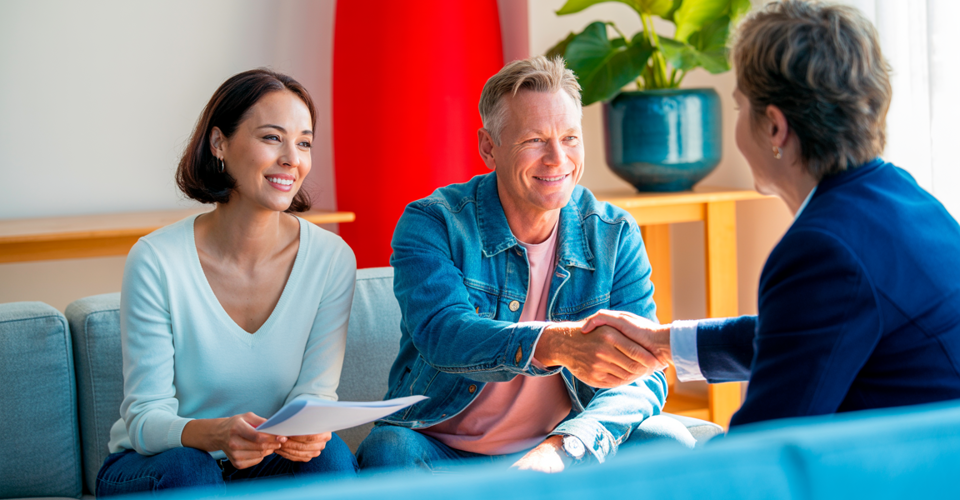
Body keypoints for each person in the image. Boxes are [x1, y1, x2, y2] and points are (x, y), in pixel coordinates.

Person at [584, 0, 960, 429]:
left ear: (776, 128)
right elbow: (804, 335)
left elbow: (763, 448)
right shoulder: (903, 196)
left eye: (740, 106)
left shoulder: (824, 249)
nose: (739, 123)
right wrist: (663, 342)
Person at [356, 56, 694, 475]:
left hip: (558, 446)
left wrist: (568, 445)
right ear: (488, 147)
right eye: (535, 140)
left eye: (570, 138)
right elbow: (444, 334)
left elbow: (643, 375)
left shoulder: (614, 233)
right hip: (442, 451)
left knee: (669, 443)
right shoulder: (434, 223)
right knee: (388, 449)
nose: (557, 159)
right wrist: (557, 343)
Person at [95, 69, 358, 496]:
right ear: (219, 143)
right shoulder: (157, 259)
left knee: (330, 458)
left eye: (304, 142)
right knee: (191, 470)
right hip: (157, 466)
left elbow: (315, 394)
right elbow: (145, 419)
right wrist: (216, 435)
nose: (293, 158)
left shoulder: (331, 261)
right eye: (272, 137)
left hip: (263, 461)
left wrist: (311, 429)